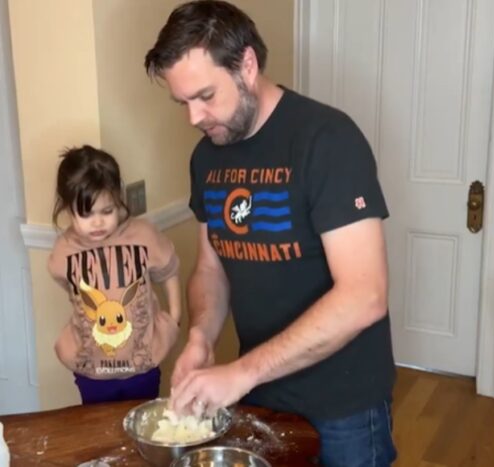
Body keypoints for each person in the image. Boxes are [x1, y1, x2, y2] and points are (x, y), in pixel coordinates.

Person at [144, 2, 397, 465]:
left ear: (247, 65)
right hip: (261, 396)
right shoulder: (207, 157)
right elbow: (211, 267)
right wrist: (200, 336)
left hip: (344, 407)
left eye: (205, 96)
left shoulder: (327, 140)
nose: (194, 118)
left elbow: (365, 295)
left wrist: (241, 372)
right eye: (183, 102)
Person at [48, 145, 182, 404]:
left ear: (118, 200)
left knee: (142, 425)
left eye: (106, 211)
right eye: (86, 214)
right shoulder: (64, 250)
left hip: (142, 367)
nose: (97, 222)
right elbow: (71, 286)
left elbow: (169, 270)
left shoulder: (144, 235)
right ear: (67, 209)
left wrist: (174, 319)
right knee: (98, 432)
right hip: (91, 372)